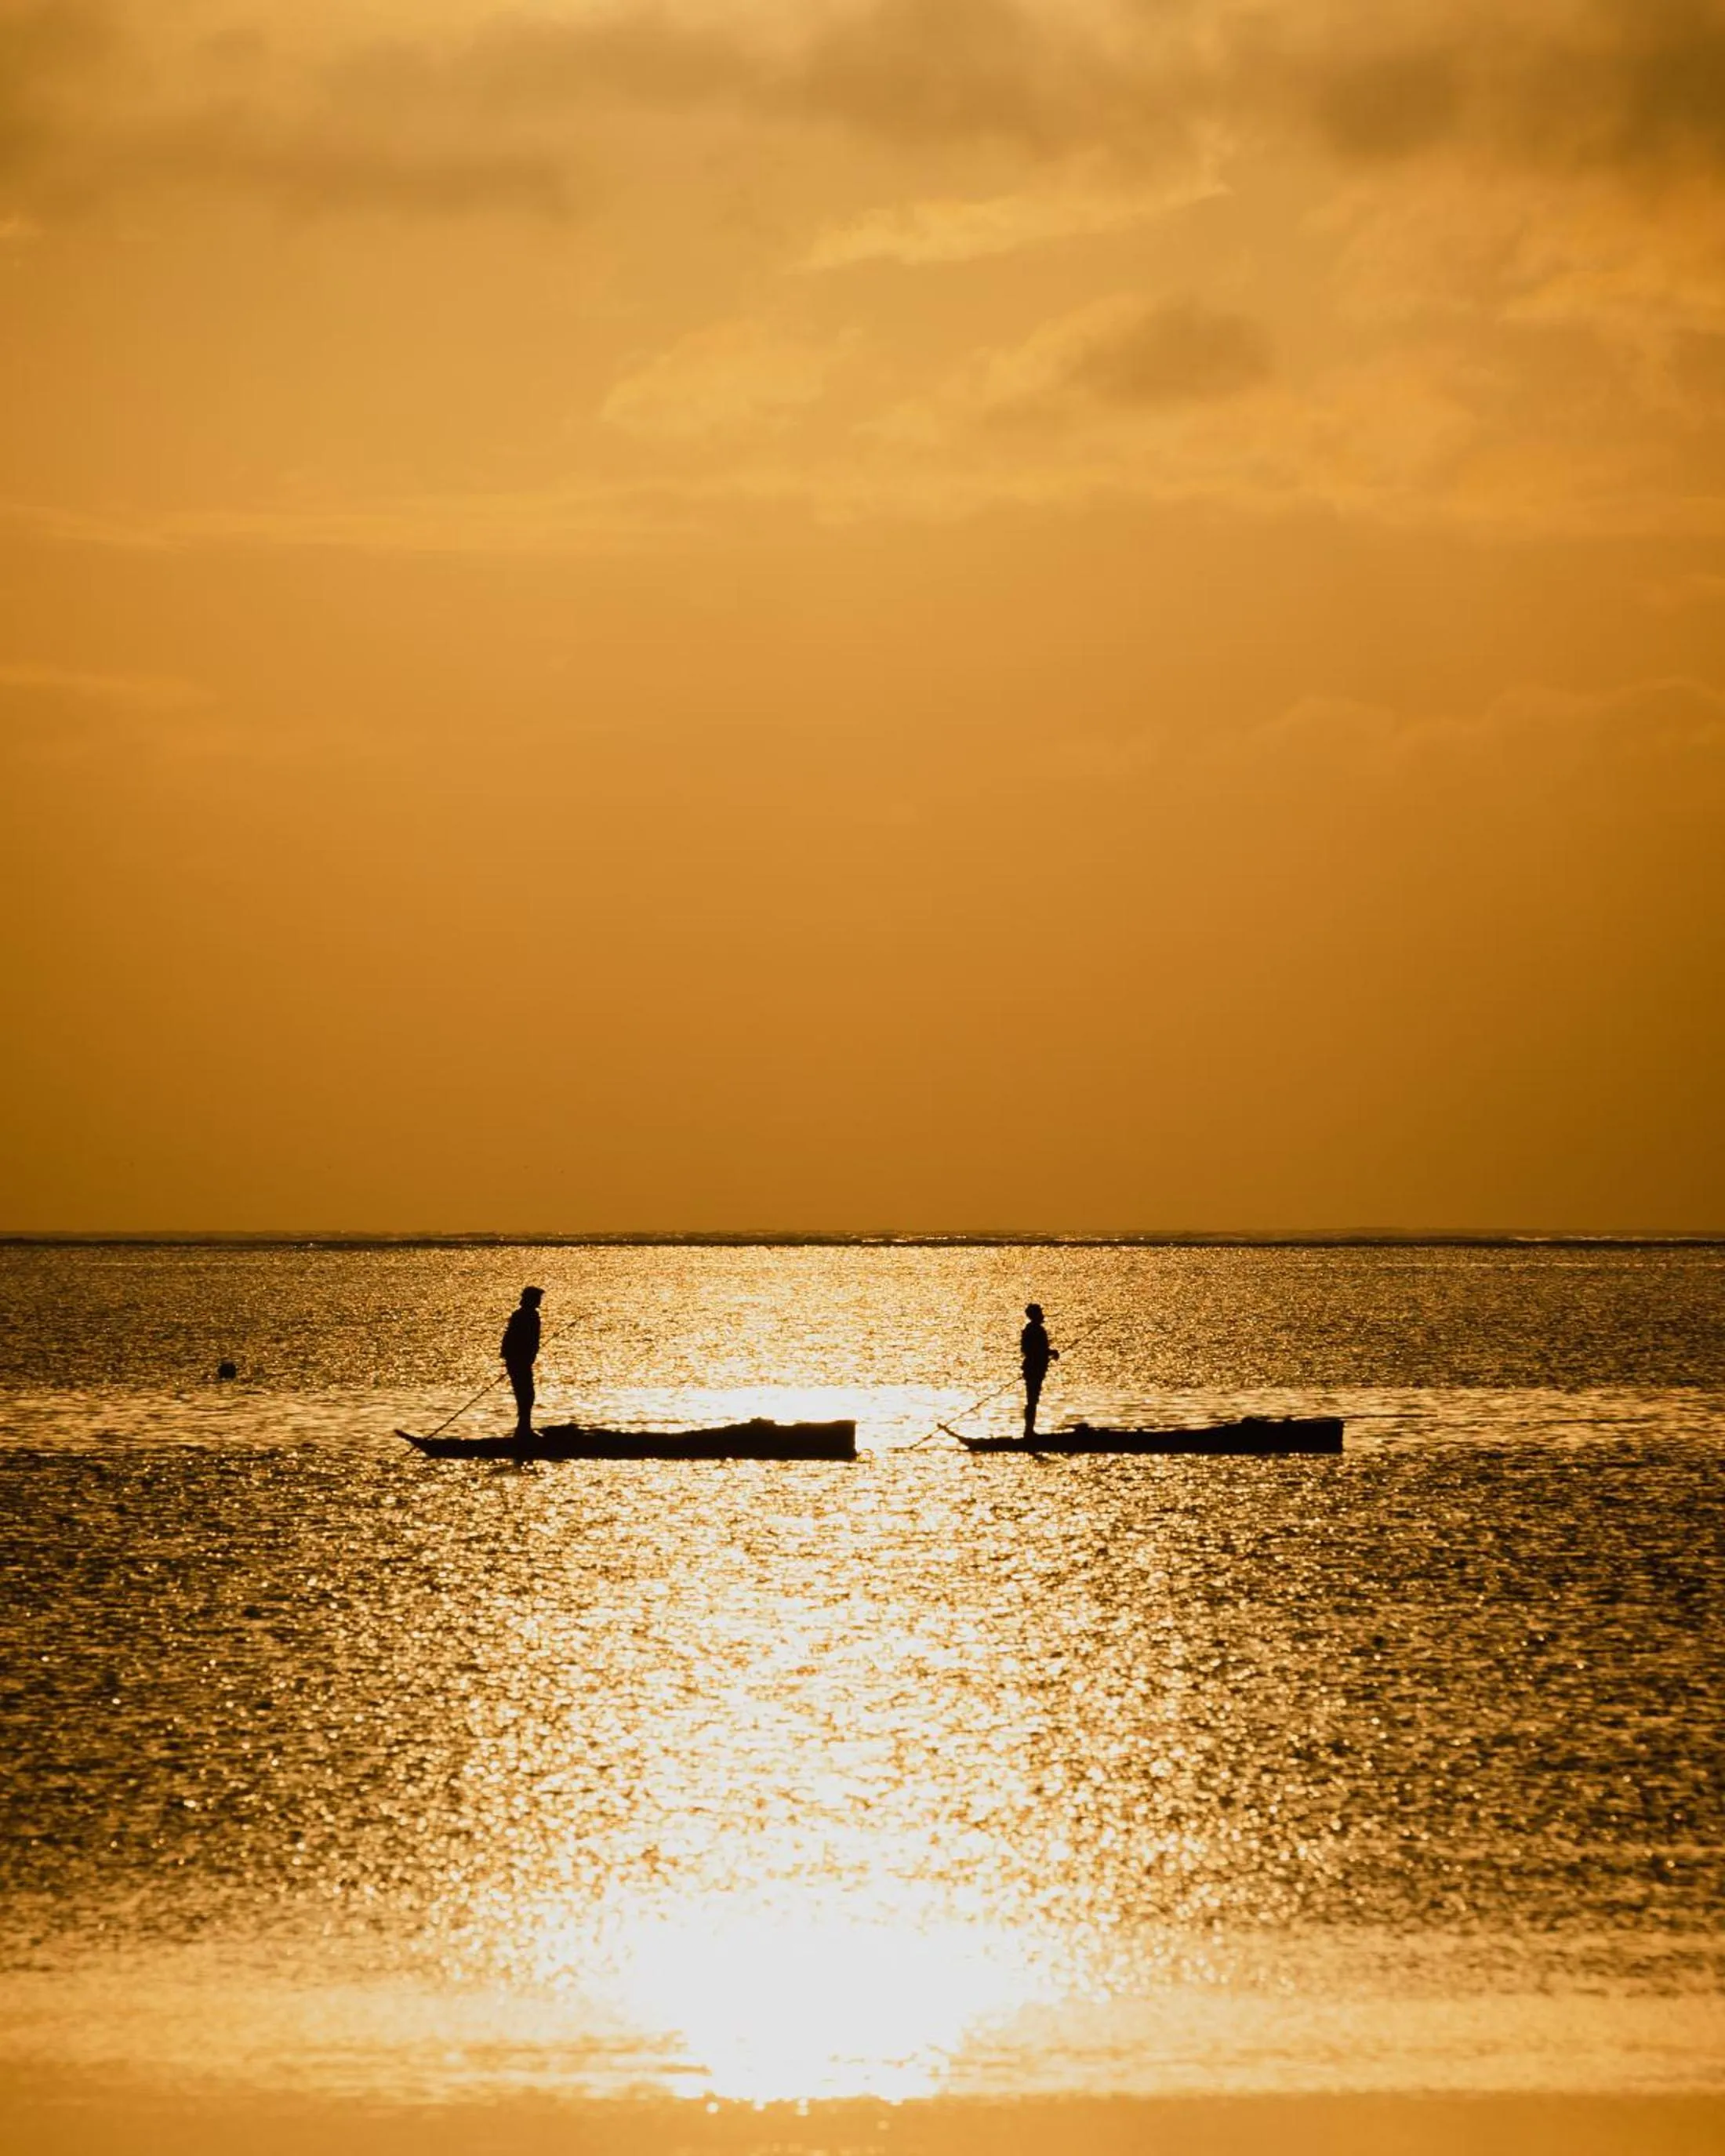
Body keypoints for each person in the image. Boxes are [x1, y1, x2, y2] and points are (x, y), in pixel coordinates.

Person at [500, 1287, 544, 1438]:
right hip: (519, 1361)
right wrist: (522, 1358)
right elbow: (519, 1339)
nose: (540, 1301)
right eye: (537, 1298)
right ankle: (523, 1430)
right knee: (526, 1394)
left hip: (518, 1360)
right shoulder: (528, 1316)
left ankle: (524, 1428)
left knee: (526, 1394)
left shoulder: (523, 1315)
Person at [1020, 1302, 1058, 1439]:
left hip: (1033, 1368)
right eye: (1040, 1313)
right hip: (1033, 1369)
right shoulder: (1035, 1330)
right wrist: (1050, 1352)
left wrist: (1048, 1353)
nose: (1043, 1315)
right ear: (1035, 1315)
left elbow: (1032, 1350)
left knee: (1033, 1400)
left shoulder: (1031, 1329)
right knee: (1032, 1400)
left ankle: (1029, 1431)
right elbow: (1032, 1350)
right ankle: (1028, 1432)